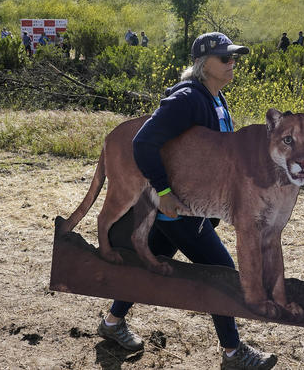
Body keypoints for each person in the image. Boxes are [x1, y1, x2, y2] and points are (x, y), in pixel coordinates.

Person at [96, 32, 278, 370]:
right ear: (204, 63)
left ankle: (111, 323)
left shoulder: (216, 99)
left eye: (233, 57)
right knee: (222, 272)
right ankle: (233, 352)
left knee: (151, 261)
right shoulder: (187, 99)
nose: (231, 63)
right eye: (225, 58)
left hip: (193, 210)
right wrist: (163, 192)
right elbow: (143, 142)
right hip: (179, 211)